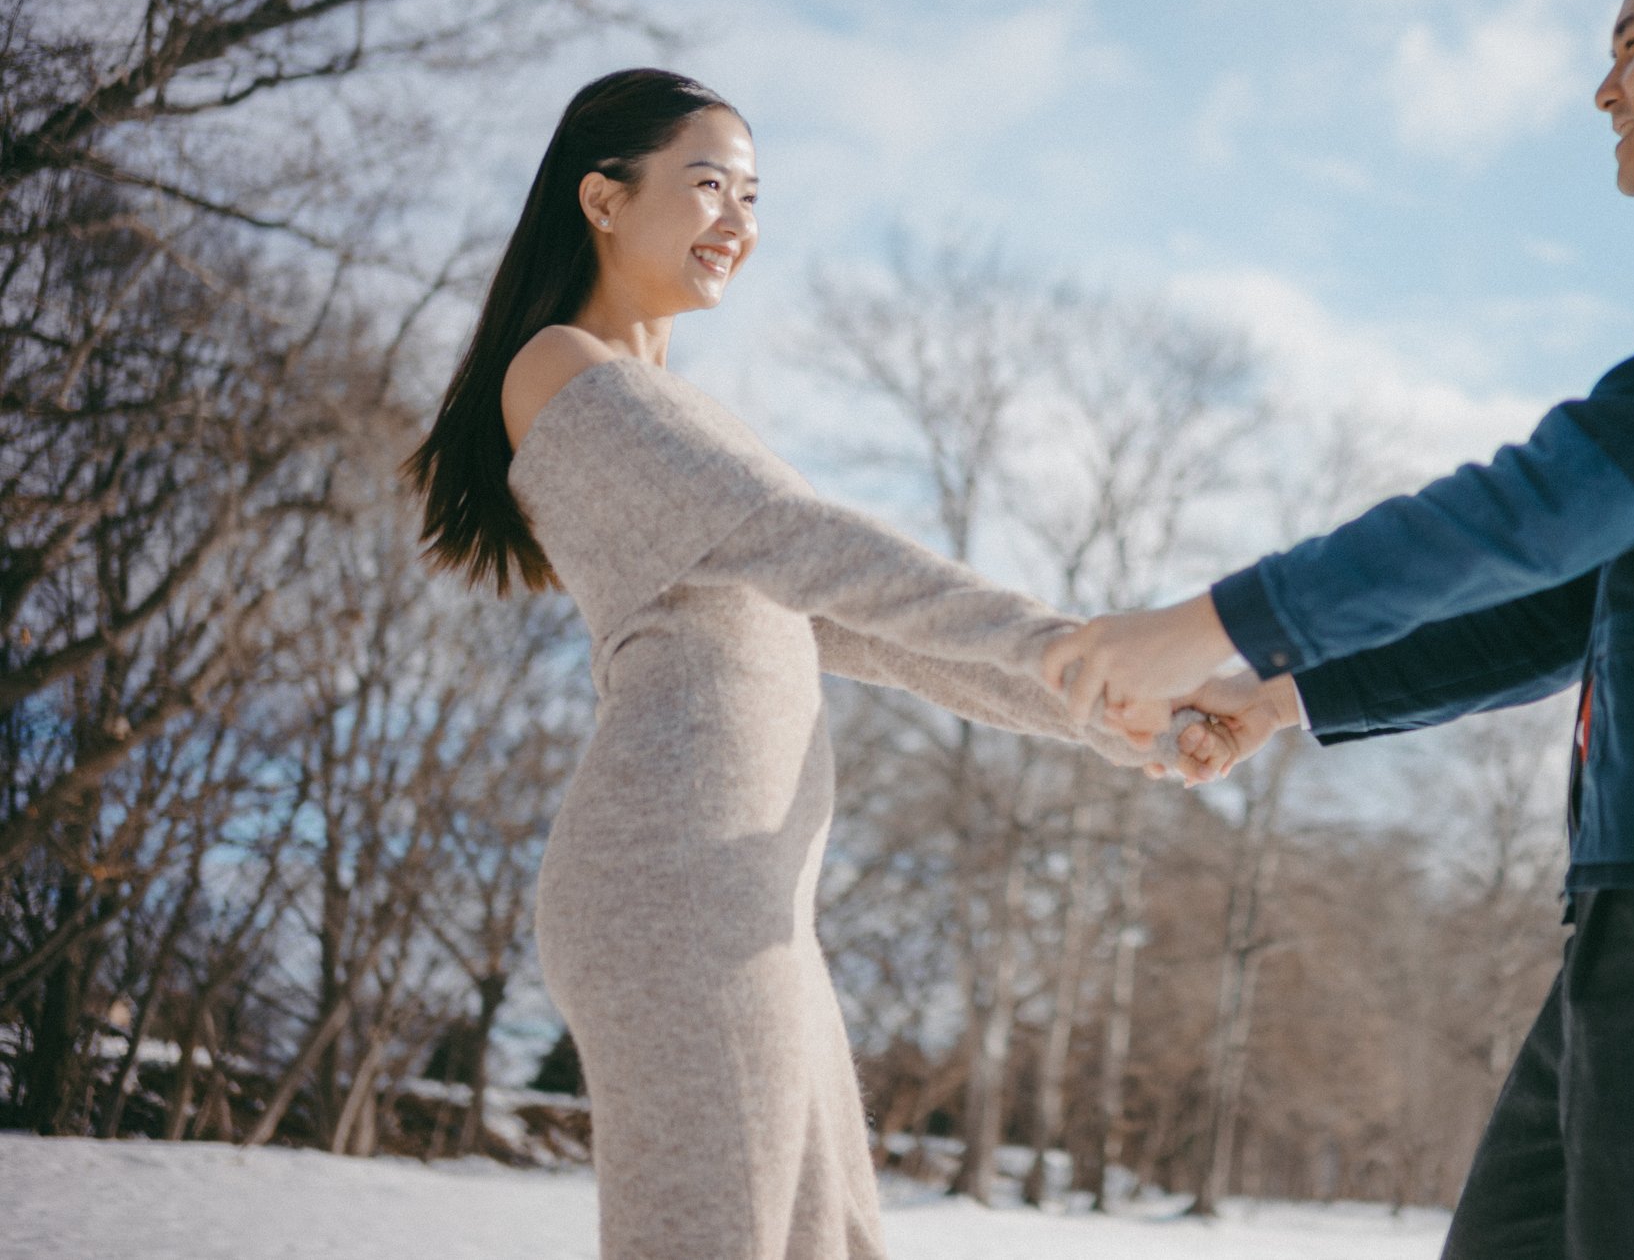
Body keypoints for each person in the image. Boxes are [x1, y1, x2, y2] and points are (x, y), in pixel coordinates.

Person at [1046, 0, 1634, 1259]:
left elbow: (1547, 504)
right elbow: (1571, 596)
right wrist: (1283, 690)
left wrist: (1211, 620)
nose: (1603, 87)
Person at [404, 69, 1168, 1260]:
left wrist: (1117, 708)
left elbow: (859, 629)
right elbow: (810, 545)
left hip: (750, 899)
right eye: (708, 184)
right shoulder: (563, 367)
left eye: (754, 196)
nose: (738, 222)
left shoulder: (669, 405)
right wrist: (1077, 645)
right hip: (672, 883)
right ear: (602, 199)